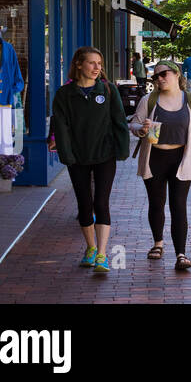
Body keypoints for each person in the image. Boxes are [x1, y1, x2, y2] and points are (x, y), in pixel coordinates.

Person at [48, 46, 129, 274]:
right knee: (84, 204)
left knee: (101, 203)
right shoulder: (64, 94)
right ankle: (91, 248)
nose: (96, 68)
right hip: (78, 157)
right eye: (92, 63)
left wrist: (121, 150)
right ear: (79, 65)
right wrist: (67, 154)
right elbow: (61, 127)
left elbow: (119, 122)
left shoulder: (108, 90)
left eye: (99, 63)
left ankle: (102, 254)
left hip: (105, 155)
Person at [130, 63, 191, 273]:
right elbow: (133, 124)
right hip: (154, 157)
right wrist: (141, 129)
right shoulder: (148, 100)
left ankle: (181, 254)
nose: (159, 78)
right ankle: (158, 244)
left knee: (179, 206)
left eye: (163, 74)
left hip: (181, 159)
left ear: (177, 74)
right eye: (155, 76)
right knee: (157, 203)